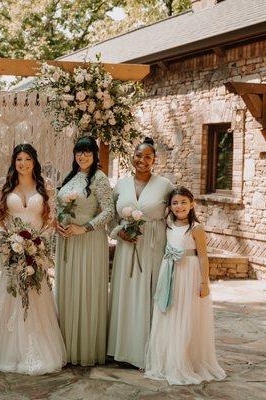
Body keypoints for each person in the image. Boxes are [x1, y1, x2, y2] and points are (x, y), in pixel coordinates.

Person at [0, 143, 66, 375]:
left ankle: (38, 349)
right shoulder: (5, 184)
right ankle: (10, 351)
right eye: (19, 159)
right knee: (12, 294)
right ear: (14, 162)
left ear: (34, 162)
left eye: (27, 159)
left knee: (36, 295)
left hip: (37, 249)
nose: (23, 163)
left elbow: (52, 219)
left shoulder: (46, 185)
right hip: (11, 249)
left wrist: (39, 242)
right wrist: (7, 238)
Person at [145, 186, 226, 385]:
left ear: (192, 204)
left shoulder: (196, 228)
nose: (179, 206)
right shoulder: (169, 224)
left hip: (189, 273)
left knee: (186, 315)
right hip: (170, 271)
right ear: (170, 206)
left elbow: (203, 257)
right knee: (169, 313)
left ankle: (185, 359)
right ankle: (167, 360)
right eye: (175, 203)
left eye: (183, 202)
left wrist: (204, 282)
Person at [108, 137, 174, 369]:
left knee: (148, 292)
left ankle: (146, 350)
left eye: (148, 157)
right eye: (138, 155)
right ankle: (121, 349)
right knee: (125, 292)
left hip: (153, 245)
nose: (142, 160)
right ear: (132, 157)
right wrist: (118, 233)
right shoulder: (121, 185)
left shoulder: (165, 185)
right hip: (126, 246)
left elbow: (177, 213)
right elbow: (110, 217)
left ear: (155, 160)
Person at [55, 136, 113, 366]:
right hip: (67, 239)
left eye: (87, 152)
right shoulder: (70, 177)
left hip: (88, 241)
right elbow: (59, 205)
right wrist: (59, 223)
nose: (82, 156)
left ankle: (84, 347)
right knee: (68, 288)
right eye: (79, 152)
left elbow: (108, 211)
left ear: (95, 155)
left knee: (84, 288)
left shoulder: (99, 178)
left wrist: (85, 228)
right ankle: (66, 346)